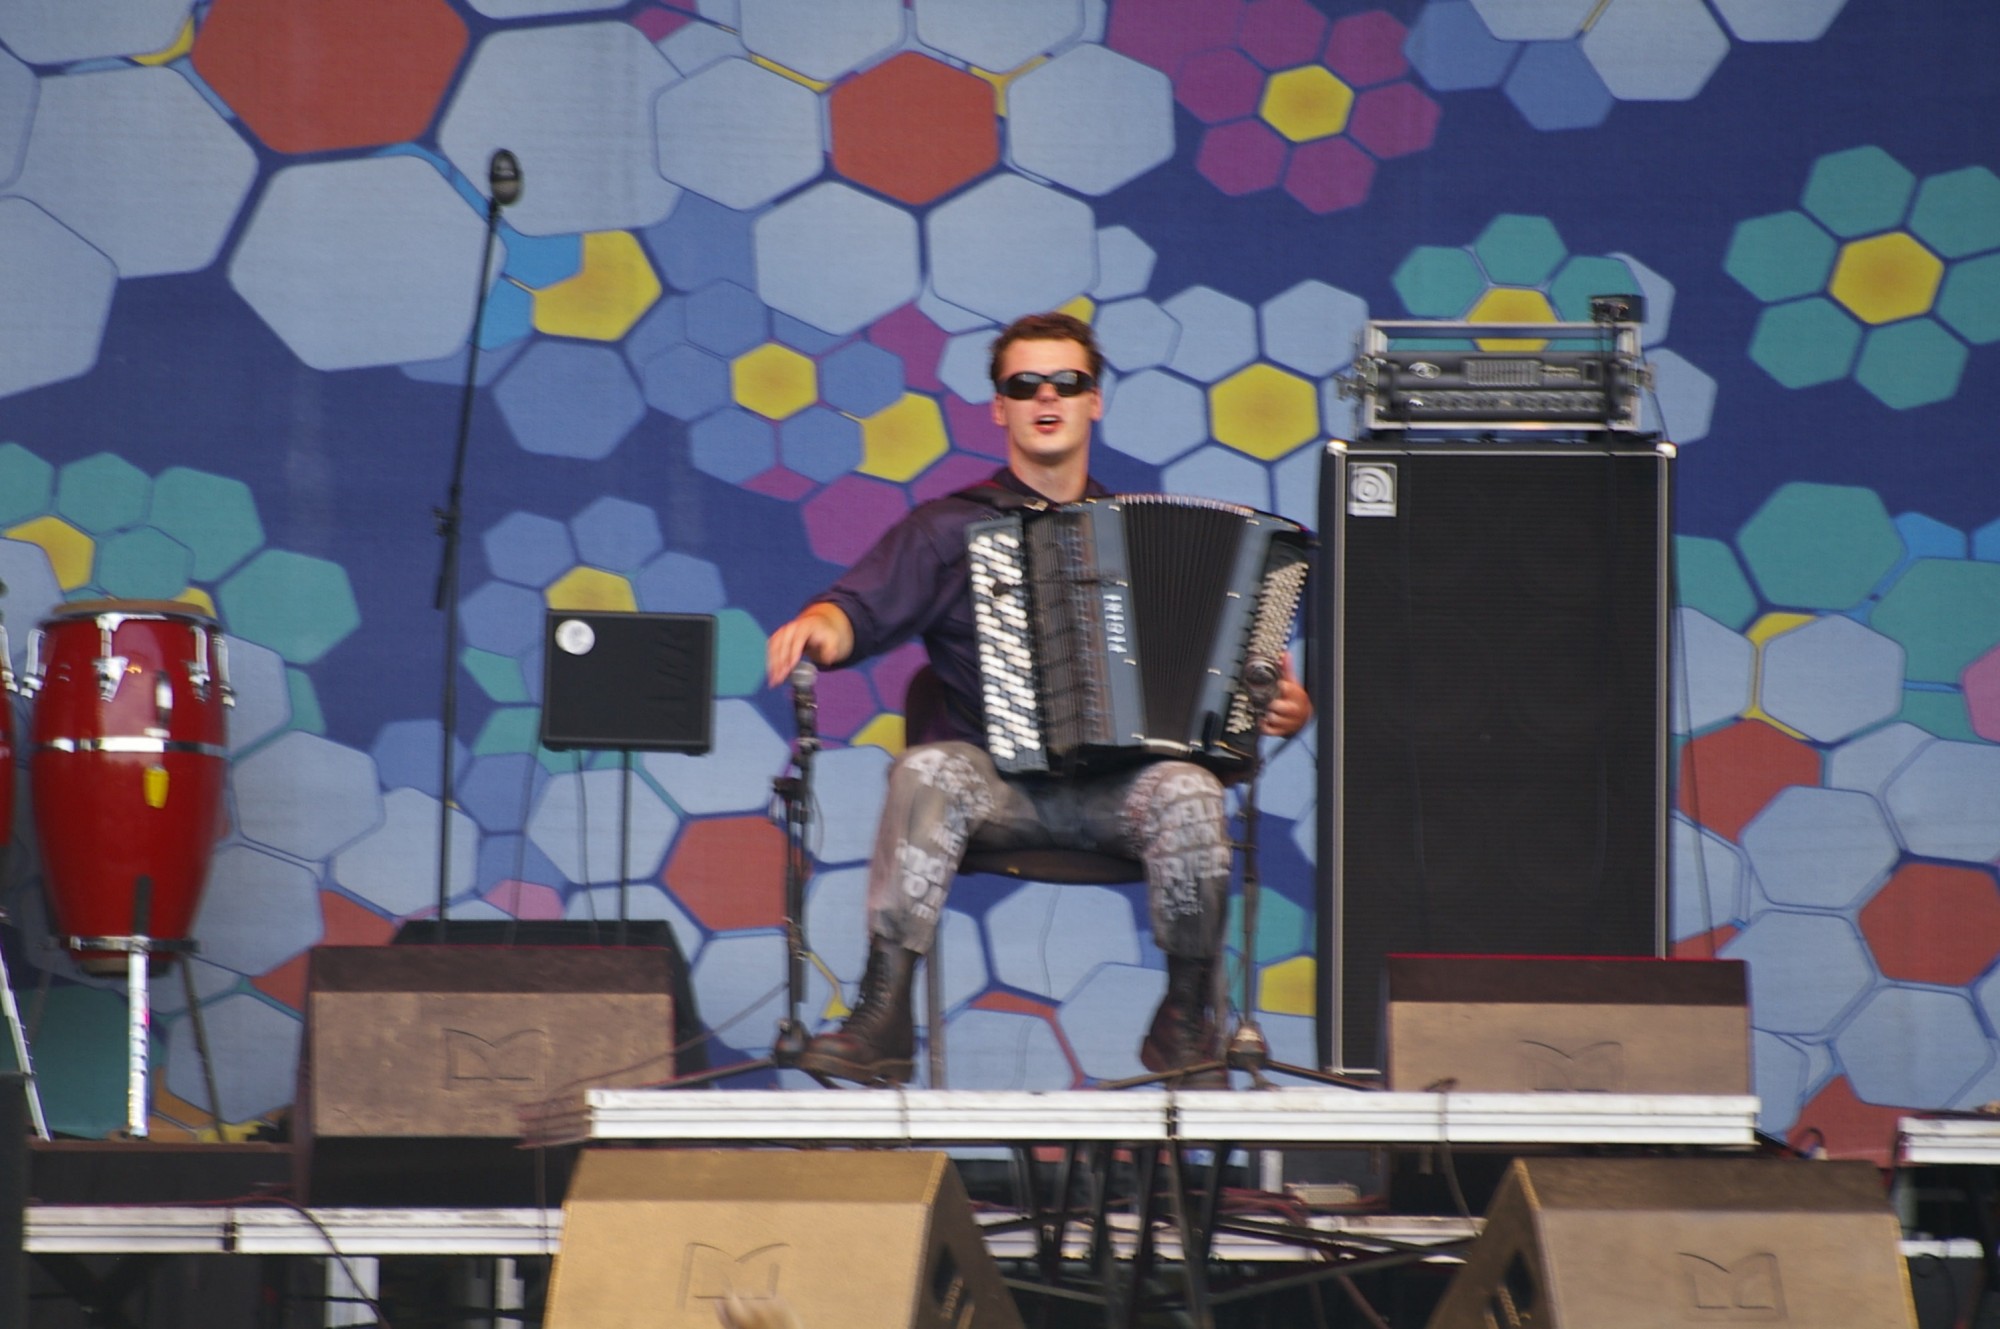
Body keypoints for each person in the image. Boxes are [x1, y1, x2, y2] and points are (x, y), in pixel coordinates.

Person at [764, 312, 1311, 1087]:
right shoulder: (949, 527)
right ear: (999, 407)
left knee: (1191, 791)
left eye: (1067, 381)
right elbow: (858, 608)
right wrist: (819, 623)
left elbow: (1231, 690)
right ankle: (882, 1018)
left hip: (1123, 795)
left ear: (1095, 401)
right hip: (998, 791)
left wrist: (1281, 708)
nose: (1046, 396)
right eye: (1025, 384)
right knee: (925, 771)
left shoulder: (1146, 539)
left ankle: (1187, 1021)